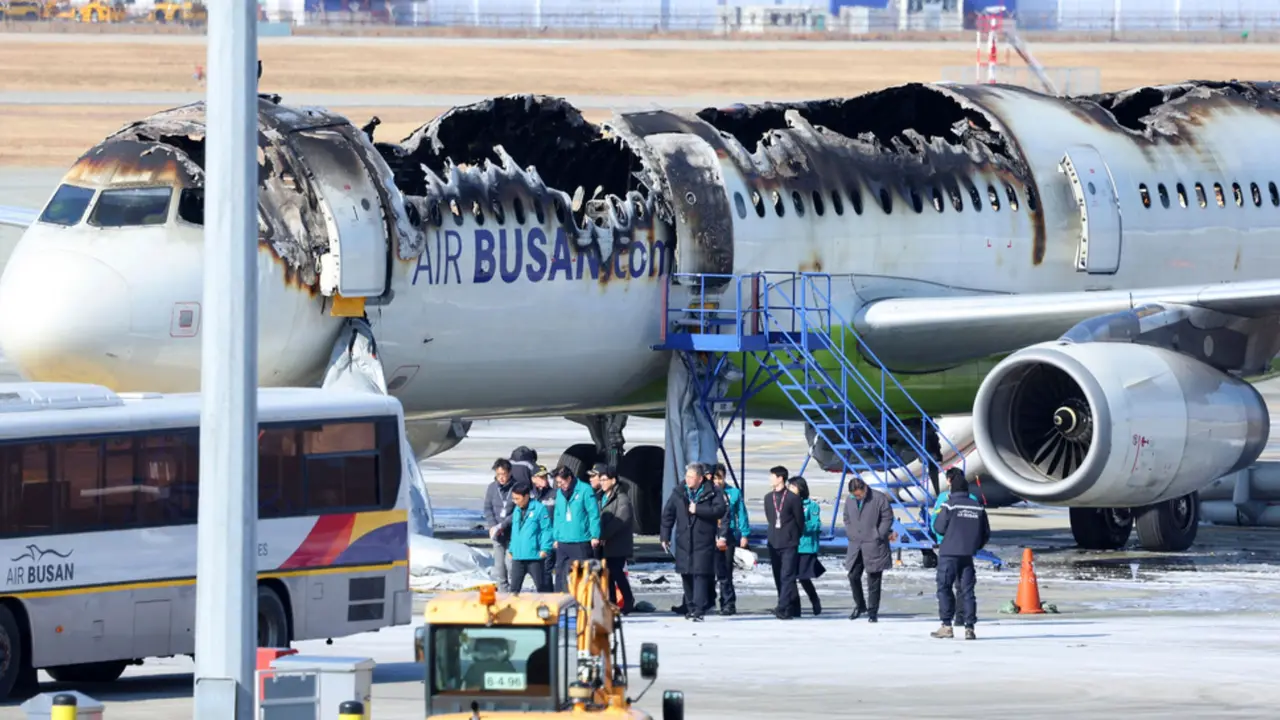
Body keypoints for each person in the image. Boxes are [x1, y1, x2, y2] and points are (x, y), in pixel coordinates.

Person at [659, 462, 726, 622]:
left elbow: (720, 510)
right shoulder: (679, 492)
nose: (688, 480)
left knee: (700, 575)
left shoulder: (713, 492)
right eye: (687, 476)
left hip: (703, 540)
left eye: (692, 477)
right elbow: (668, 514)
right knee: (686, 574)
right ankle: (689, 606)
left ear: (700, 478)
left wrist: (699, 510)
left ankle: (698, 609)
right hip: (683, 540)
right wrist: (665, 536)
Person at [931, 467, 991, 640]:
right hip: (967, 555)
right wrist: (974, 546)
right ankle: (969, 627)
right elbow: (985, 532)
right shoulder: (977, 506)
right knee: (967, 590)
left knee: (944, 587)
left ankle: (946, 625)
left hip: (949, 553)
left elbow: (939, 527)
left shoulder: (949, 504)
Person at [843, 476, 893, 622]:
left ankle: (873, 611)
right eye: (855, 495)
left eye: (859, 494)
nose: (857, 497)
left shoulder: (878, 498)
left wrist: (878, 533)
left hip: (874, 544)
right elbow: (846, 517)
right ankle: (860, 605)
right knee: (853, 575)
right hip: (856, 544)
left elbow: (887, 517)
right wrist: (850, 532)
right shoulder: (850, 500)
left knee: (874, 579)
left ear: (864, 488)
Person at [762, 465, 805, 620]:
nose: (770, 479)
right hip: (774, 541)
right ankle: (787, 605)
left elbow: (800, 521)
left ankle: (782, 607)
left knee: (787, 575)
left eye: (772, 476)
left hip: (789, 542)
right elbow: (770, 517)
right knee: (778, 575)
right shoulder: (768, 498)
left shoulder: (793, 498)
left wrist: (793, 535)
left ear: (780, 478)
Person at [551, 465, 601, 591]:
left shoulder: (585, 490)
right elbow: (557, 515)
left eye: (561, 482)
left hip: (580, 540)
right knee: (560, 575)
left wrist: (595, 535)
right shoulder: (559, 493)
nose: (559, 485)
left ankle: (584, 603)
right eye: (557, 482)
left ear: (569, 478)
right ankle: (560, 602)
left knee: (582, 576)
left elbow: (593, 514)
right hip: (563, 540)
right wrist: (556, 536)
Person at [712, 463, 749, 616]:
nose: (717, 482)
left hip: (728, 535)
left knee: (725, 571)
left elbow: (742, 513)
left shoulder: (733, 493)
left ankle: (728, 602)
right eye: (715, 478)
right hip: (709, 535)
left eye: (720, 478)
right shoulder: (708, 492)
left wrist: (745, 534)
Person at [597, 467, 637, 614]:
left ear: (613, 481)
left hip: (617, 544)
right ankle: (612, 602)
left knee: (617, 573)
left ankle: (628, 600)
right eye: (600, 480)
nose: (602, 483)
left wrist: (603, 535)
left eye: (604, 480)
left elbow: (620, 520)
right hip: (605, 544)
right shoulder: (601, 497)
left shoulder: (622, 498)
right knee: (608, 574)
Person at [507, 481, 553, 593]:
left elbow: (546, 529)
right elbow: (515, 531)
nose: (515, 501)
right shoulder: (517, 509)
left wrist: (545, 548)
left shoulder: (539, 508)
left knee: (542, 587)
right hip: (518, 556)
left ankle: (546, 608)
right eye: (513, 498)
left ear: (526, 496)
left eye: (517, 498)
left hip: (534, 556)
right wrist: (512, 548)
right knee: (514, 589)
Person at [789, 476, 824, 616]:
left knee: (803, 576)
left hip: (805, 545)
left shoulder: (811, 506)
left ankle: (814, 599)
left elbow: (816, 524)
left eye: (793, 486)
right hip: (791, 544)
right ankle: (794, 605)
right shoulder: (789, 503)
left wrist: (800, 525)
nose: (790, 489)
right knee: (790, 576)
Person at [484, 458, 516, 592]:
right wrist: (492, 525)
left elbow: (518, 512)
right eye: (498, 475)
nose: (501, 478)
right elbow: (487, 507)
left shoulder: (516, 487)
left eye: (503, 474)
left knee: (511, 564)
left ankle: (514, 591)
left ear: (509, 473)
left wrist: (503, 525)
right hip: (497, 534)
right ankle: (503, 593)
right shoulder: (492, 488)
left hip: (511, 533)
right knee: (499, 567)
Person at [530, 465, 557, 589]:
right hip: (534, 539)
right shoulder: (530, 495)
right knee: (537, 573)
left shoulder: (555, 495)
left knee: (546, 572)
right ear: (533, 479)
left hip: (549, 540)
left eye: (545, 477)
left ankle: (549, 598)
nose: (544, 479)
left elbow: (558, 518)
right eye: (541, 477)